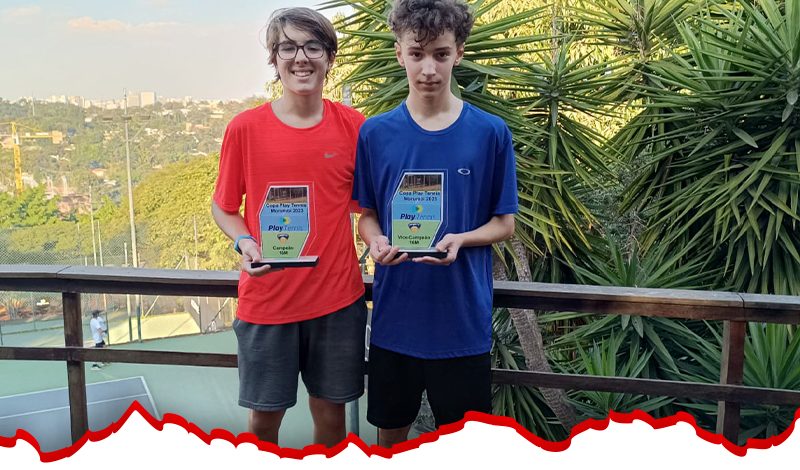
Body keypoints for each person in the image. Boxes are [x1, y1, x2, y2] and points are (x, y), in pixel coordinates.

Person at [353, 0, 518, 448]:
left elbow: (504, 223)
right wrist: (376, 241)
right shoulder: (375, 133)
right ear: (399, 54)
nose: (429, 68)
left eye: (441, 54)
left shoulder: (490, 132)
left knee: (464, 448)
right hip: (394, 321)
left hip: (462, 323)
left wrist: (462, 239)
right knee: (389, 441)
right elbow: (367, 216)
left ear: (459, 53)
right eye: (417, 53)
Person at [211, 7, 367, 447]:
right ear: (274, 59)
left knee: (331, 417)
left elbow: (367, 208)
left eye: (313, 46)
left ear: (329, 58)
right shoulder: (245, 129)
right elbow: (224, 207)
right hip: (267, 300)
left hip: (337, 300)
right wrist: (244, 241)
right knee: (263, 421)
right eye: (288, 48)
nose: (301, 58)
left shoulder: (354, 127)